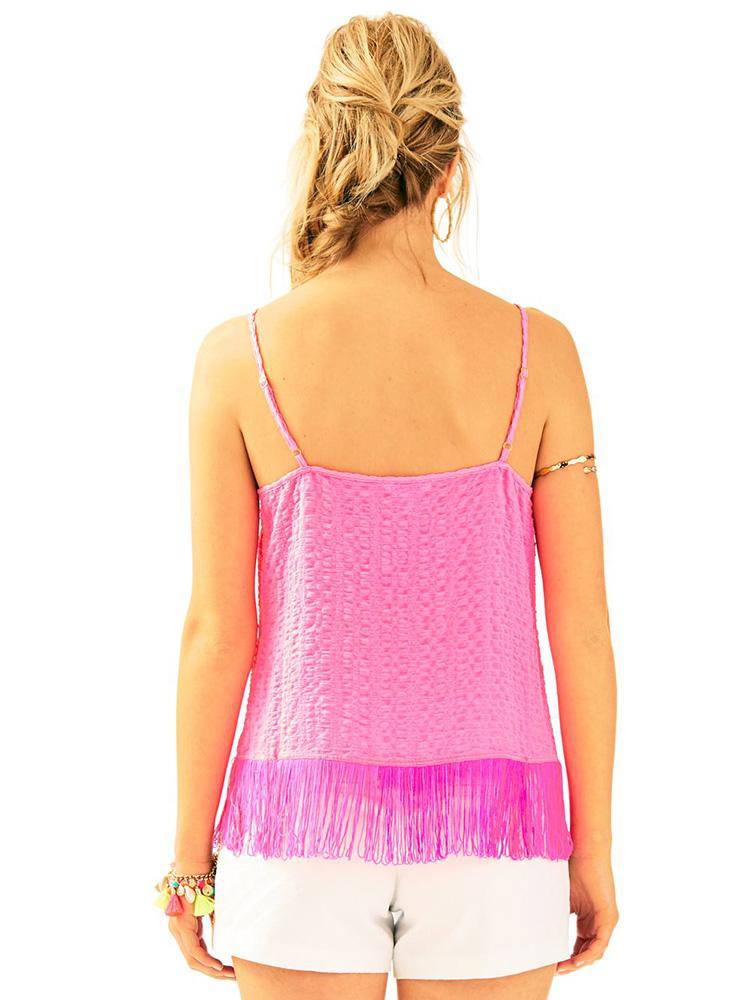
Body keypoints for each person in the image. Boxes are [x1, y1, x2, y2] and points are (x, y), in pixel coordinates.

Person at [155, 13, 618, 999]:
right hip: (499, 841)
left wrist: (189, 866)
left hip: (299, 832)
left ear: (325, 150)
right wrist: (595, 847)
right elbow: (580, 627)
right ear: (449, 168)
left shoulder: (237, 360)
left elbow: (217, 631)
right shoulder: (543, 355)